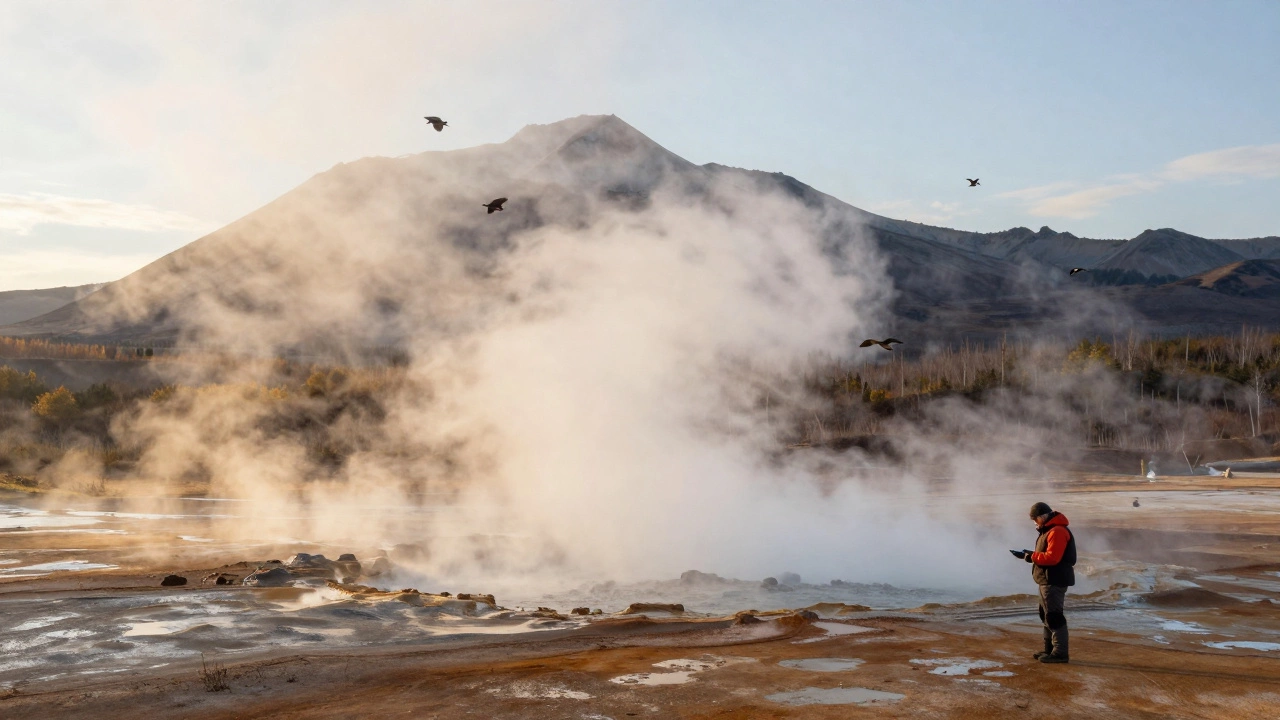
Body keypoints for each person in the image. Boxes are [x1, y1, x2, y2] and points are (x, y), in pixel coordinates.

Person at [1012, 501, 1076, 663]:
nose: (1034, 523)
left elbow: (1053, 558)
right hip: (1047, 580)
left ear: (1042, 517)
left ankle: (1060, 653)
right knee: (1046, 615)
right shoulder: (1048, 531)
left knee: (1054, 616)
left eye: (1035, 519)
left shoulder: (1057, 531)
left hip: (1054, 579)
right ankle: (1050, 650)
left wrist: (1030, 557)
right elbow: (1046, 554)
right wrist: (1029, 554)